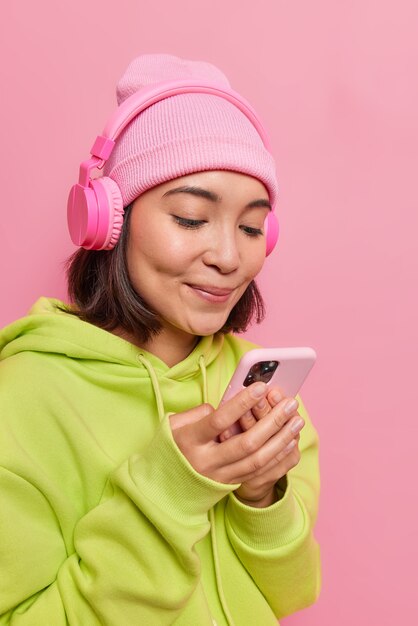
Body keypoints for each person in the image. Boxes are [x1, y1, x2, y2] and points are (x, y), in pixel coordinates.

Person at [0, 54, 321, 625]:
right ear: (108, 221)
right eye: (192, 219)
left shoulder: (261, 391)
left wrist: (262, 497)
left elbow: (286, 596)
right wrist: (168, 490)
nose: (228, 256)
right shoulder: (22, 401)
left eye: (251, 228)